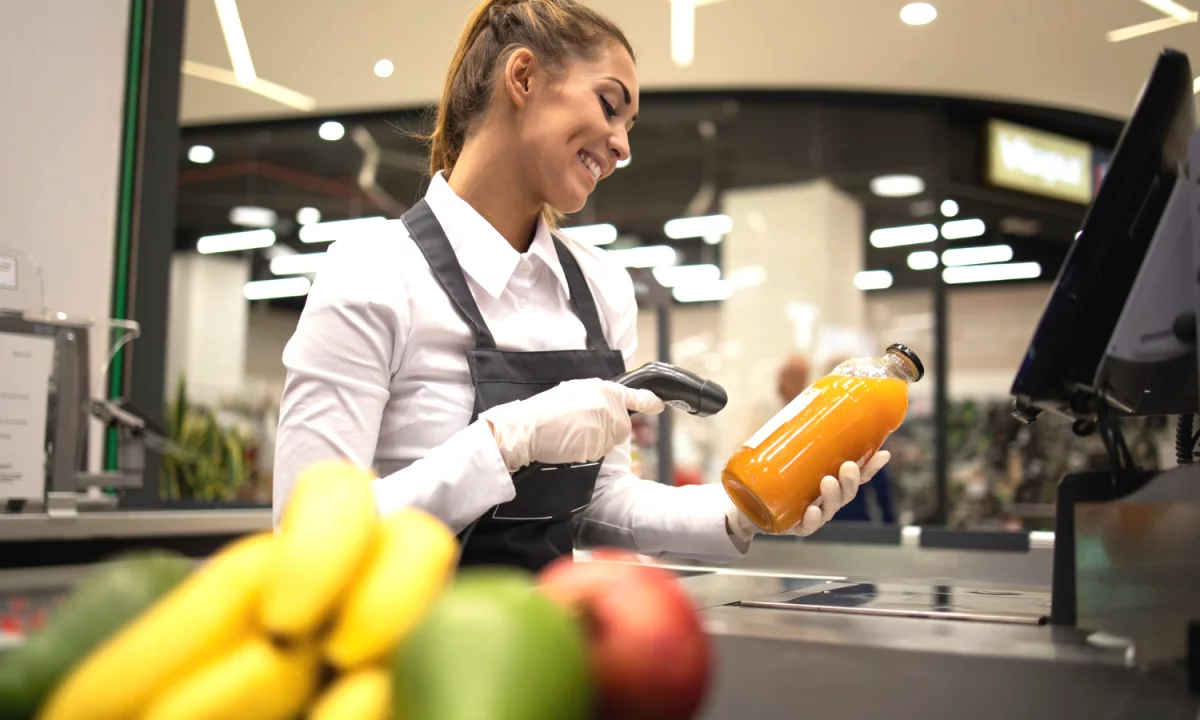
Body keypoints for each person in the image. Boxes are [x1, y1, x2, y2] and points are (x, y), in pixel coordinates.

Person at [272, 0, 890, 571]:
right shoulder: (375, 271)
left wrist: (739, 510)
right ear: (523, 78)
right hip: (402, 659)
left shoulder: (601, 287)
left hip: (557, 648)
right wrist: (505, 441)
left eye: (630, 125)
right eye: (609, 104)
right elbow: (307, 542)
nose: (622, 145)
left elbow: (601, 503)